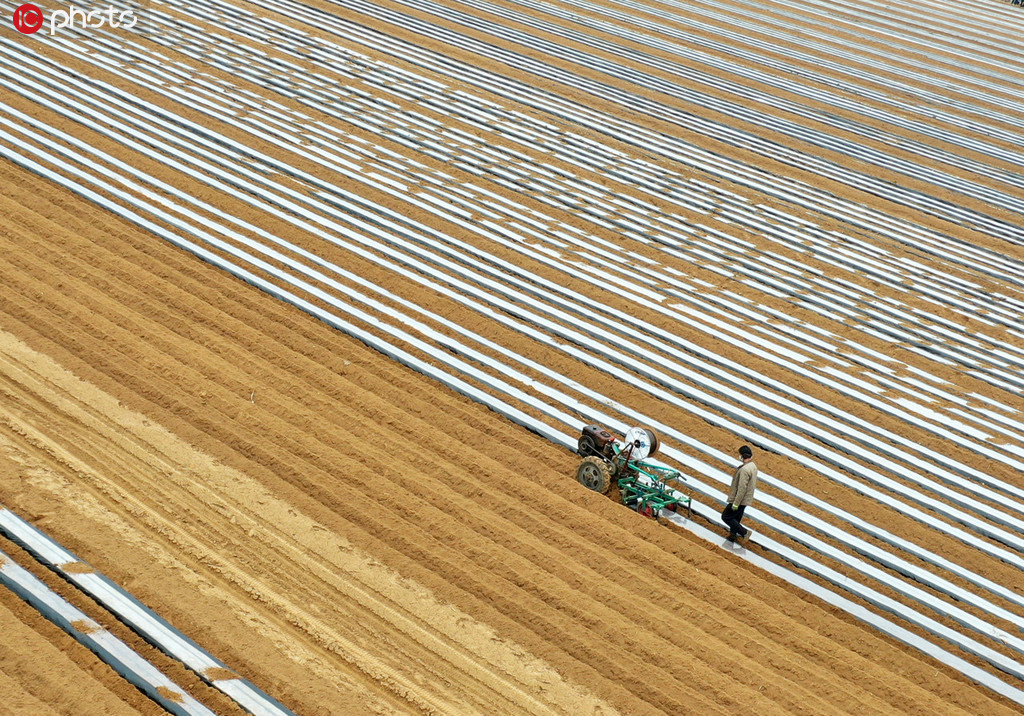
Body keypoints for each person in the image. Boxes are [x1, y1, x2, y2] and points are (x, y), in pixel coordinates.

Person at [722, 445, 758, 544]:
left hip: (740, 499)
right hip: (746, 499)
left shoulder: (744, 470)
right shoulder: (753, 466)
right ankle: (732, 536)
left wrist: (736, 503)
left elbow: (742, 488)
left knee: (726, 517)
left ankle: (745, 532)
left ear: (743, 456)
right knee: (736, 518)